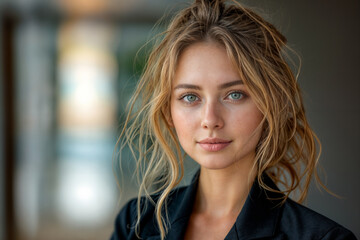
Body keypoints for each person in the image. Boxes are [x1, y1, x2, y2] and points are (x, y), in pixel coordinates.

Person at [111, 0, 357, 239]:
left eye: (234, 95)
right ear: (168, 112)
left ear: (270, 105)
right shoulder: (136, 224)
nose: (210, 120)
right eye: (189, 97)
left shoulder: (324, 237)